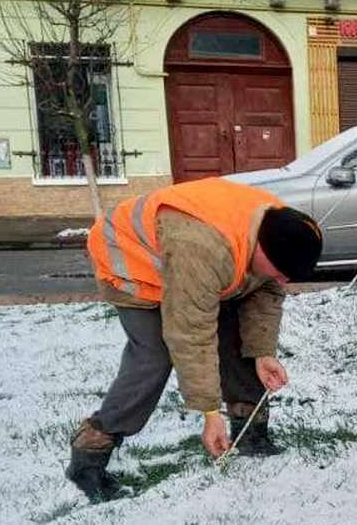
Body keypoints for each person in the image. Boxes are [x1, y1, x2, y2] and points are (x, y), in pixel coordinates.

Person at [66, 177, 323, 502]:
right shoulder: (202, 247)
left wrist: (262, 353)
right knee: (154, 357)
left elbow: (266, 290)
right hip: (132, 262)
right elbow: (191, 332)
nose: (284, 281)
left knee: (235, 333)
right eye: (281, 272)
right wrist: (209, 412)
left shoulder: (282, 228)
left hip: (193, 258)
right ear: (261, 249)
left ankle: (250, 431)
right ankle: (90, 455)